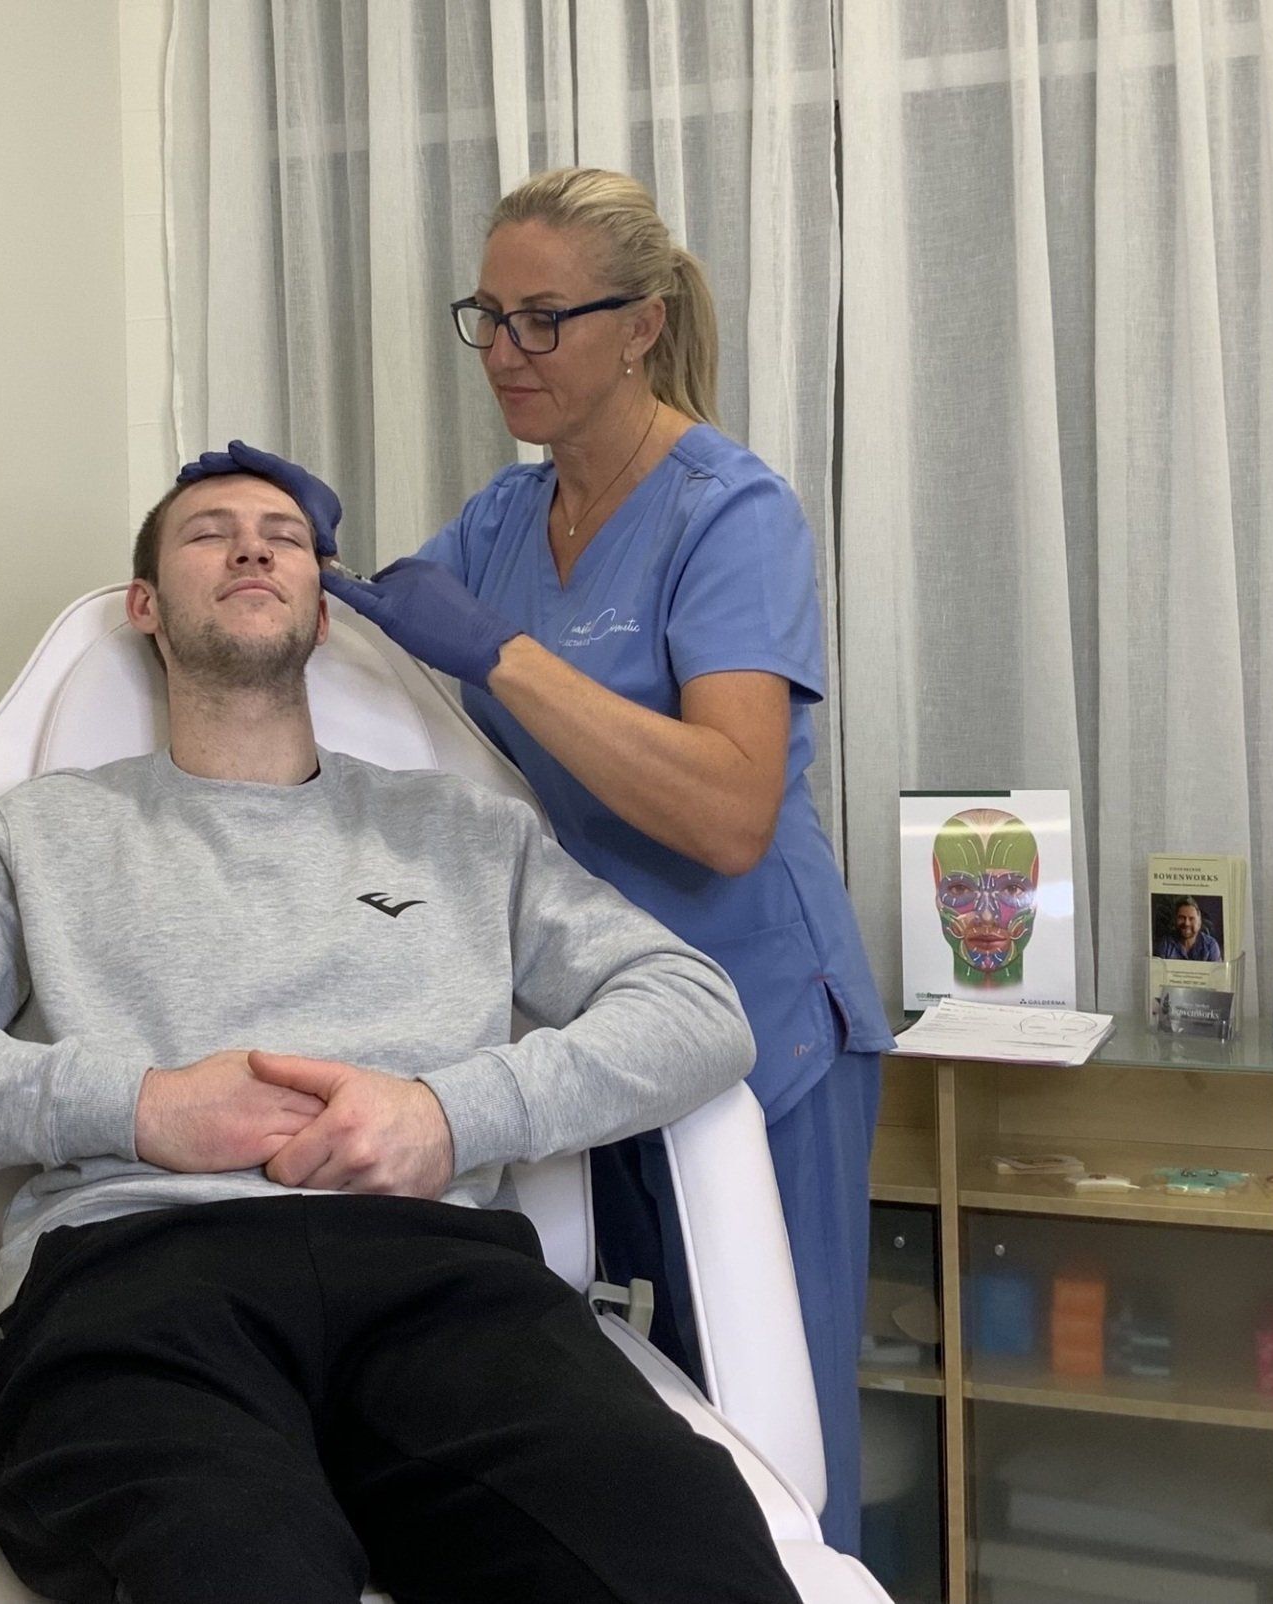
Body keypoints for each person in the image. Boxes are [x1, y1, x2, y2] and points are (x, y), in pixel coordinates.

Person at [0, 446, 805, 1604]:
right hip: (138, 1284)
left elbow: (697, 1007)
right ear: (145, 606)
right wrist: (142, 1107)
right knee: (234, 1566)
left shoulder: (469, 831)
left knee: (683, 1552)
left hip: (449, 1288)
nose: (253, 544)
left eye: (285, 535)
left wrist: (449, 1115)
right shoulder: (34, 838)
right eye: (209, 531)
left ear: (320, 609)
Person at [319, 166, 895, 1555]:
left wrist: (506, 657)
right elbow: (387, 649)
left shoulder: (727, 512)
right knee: (645, 1436)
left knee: (776, 1434)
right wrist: (274, 548)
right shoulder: (508, 520)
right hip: (600, 1033)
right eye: (488, 319)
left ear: (640, 326)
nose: (506, 355)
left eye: (543, 321)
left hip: (763, 1038)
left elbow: (730, 810)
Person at [1156, 898, 1222, 962]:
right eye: (1182, 918)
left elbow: (1216, 973)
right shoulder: (1166, 944)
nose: (1186, 923)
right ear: (1175, 920)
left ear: (1199, 922)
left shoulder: (1210, 946)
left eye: (1191, 918)